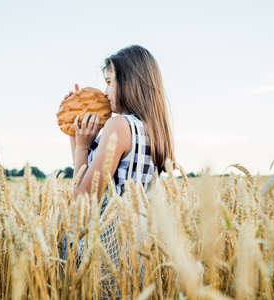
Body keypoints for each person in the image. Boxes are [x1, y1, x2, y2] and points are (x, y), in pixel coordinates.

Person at [62, 44, 176, 297]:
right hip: (139, 247)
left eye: (110, 82)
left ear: (130, 83)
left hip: (105, 249)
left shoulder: (117, 126)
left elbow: (83, 201)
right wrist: (76, 132)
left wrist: (82, 147)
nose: (104, 91)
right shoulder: (156, 131)